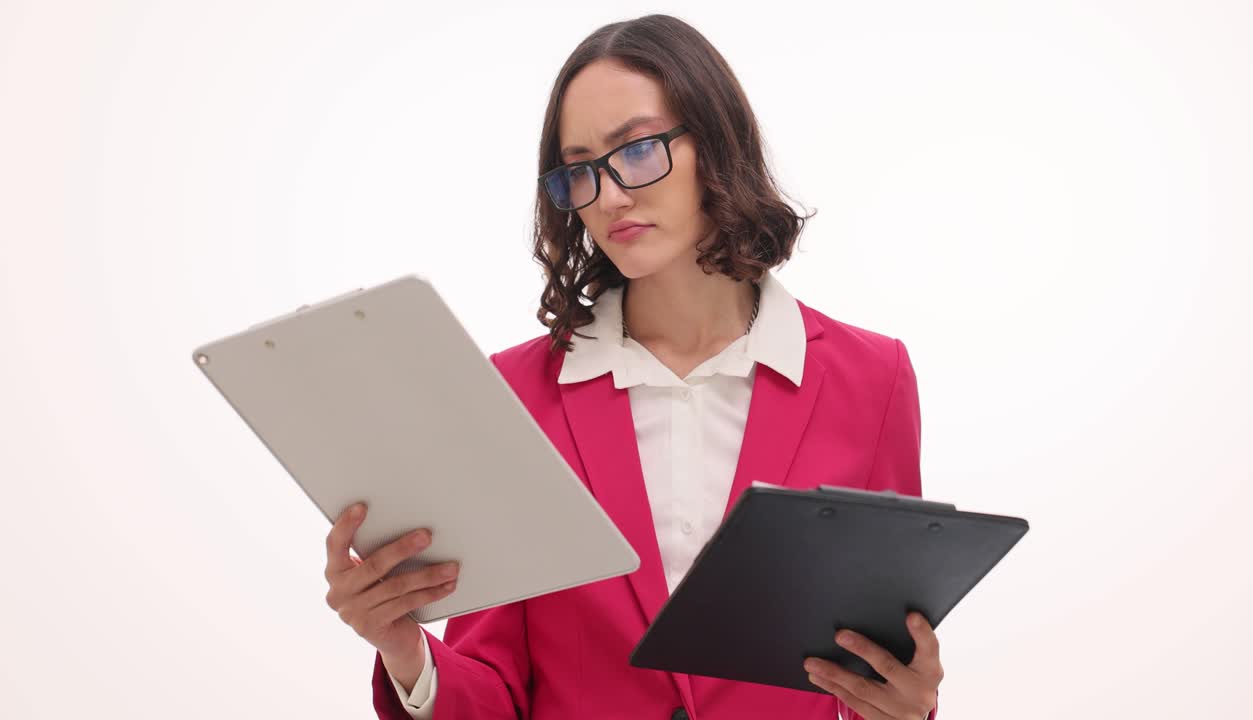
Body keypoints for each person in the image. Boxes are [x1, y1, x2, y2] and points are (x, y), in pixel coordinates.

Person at [324, 14, 942, 720]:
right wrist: (407, 653)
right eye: (579, 170)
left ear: (714, 145)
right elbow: (494, 690)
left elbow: (882, 668)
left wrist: (906, 709)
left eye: (638, 150)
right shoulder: (517, 396)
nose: (609, 196)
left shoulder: (873, 380)